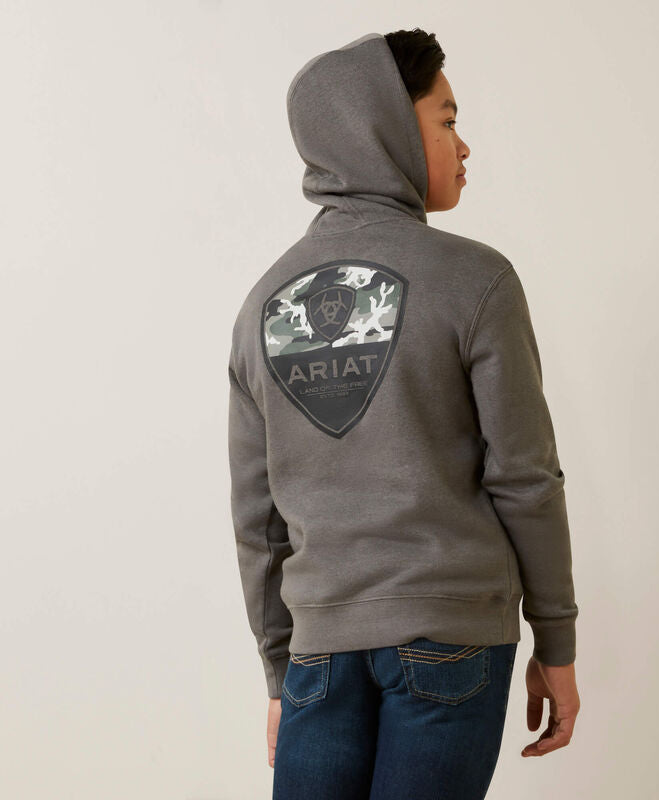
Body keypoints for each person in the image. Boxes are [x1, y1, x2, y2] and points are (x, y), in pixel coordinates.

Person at [227, 28, 580, 800]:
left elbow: (258, 520)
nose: (464, 144)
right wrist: (557, 642)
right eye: (447, 119)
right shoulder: (476, 280)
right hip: (452, 637)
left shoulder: (264, 305)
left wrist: (280, 675)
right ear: (383, 127)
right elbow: (525, 477)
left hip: (319, 655)